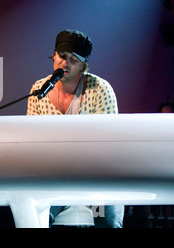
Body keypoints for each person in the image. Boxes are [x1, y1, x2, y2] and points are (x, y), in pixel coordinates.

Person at [26, 29, 124, 228]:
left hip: (98, 179)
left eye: (73, 59)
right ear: (54, 55)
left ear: (82, 65)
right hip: (55, 178)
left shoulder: (100, 89)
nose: (65, 63)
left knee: (107, 222)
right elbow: (31, 142)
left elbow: (110, 144)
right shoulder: (39, 90)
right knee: (35, 218)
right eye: (62, 56)